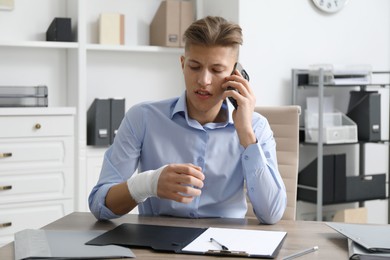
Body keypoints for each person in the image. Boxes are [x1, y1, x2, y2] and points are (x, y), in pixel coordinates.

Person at [89, 16, 286, 224]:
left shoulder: (256, 127)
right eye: (194, 67)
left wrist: (246, 134)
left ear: (236, 75)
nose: (203, 80)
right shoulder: (142, 118)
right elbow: (100, 206)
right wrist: (148, 184)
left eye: (217, 70)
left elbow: (271, 215)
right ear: (182, 64)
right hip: (158, 247)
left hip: (225, 246)